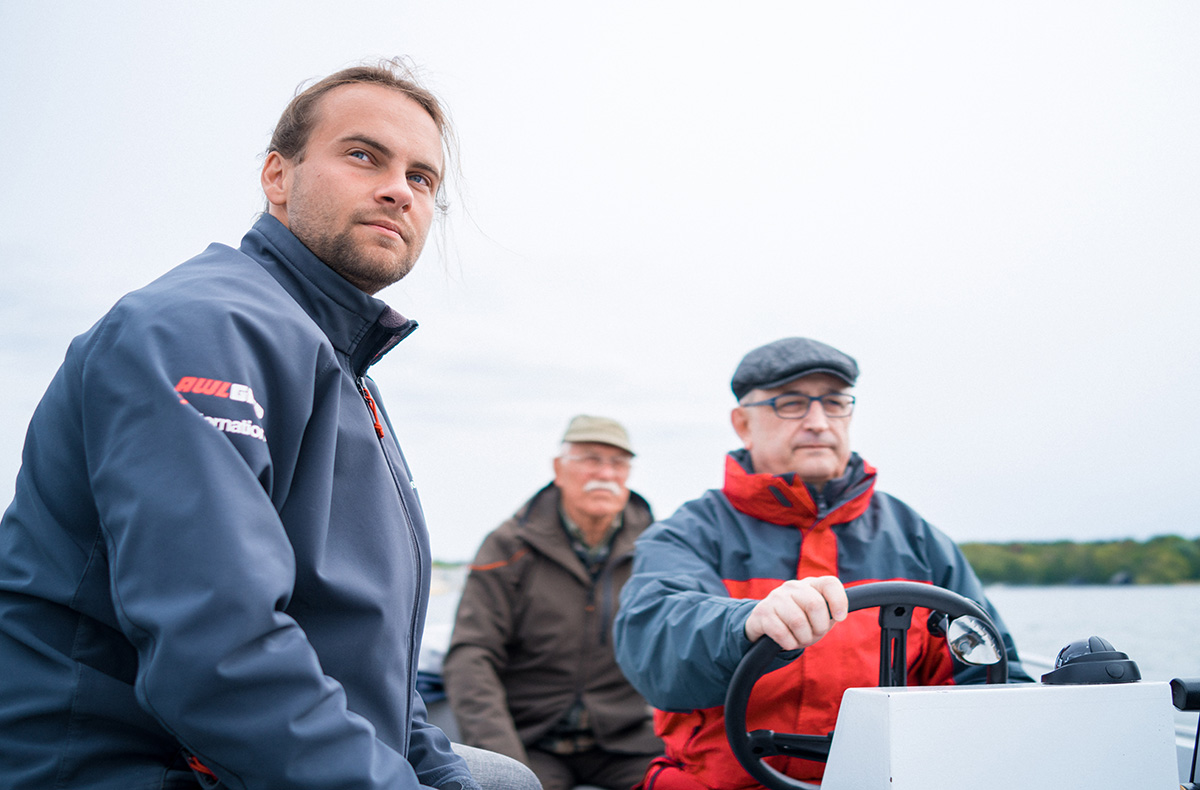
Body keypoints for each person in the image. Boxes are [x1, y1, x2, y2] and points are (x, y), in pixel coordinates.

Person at [0, 60, 537, 790]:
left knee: (498, 780)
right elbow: (219, 652)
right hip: (134, 765)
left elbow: (375, 673)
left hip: (263, 756)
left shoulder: (340, 368)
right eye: (363, 155)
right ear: (277, 177)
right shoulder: (202, 330)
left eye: (422, 178)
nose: (398, 191)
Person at [613, 337, 1030, 790]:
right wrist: (746, 624)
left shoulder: (919, 538)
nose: (818, 422)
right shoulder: (687, 532)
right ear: (743, 424)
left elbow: (991, 673)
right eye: (791, 403)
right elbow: (653, 646)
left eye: (834, 403)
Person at [443, 415, 663, 790]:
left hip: (628, 741)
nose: (606, 473)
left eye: (618, 462)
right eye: (591, 459)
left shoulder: (657, 547)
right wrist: (505, 761)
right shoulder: (508, 545)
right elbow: (471, 655)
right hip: (532, 741)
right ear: (558, 469)